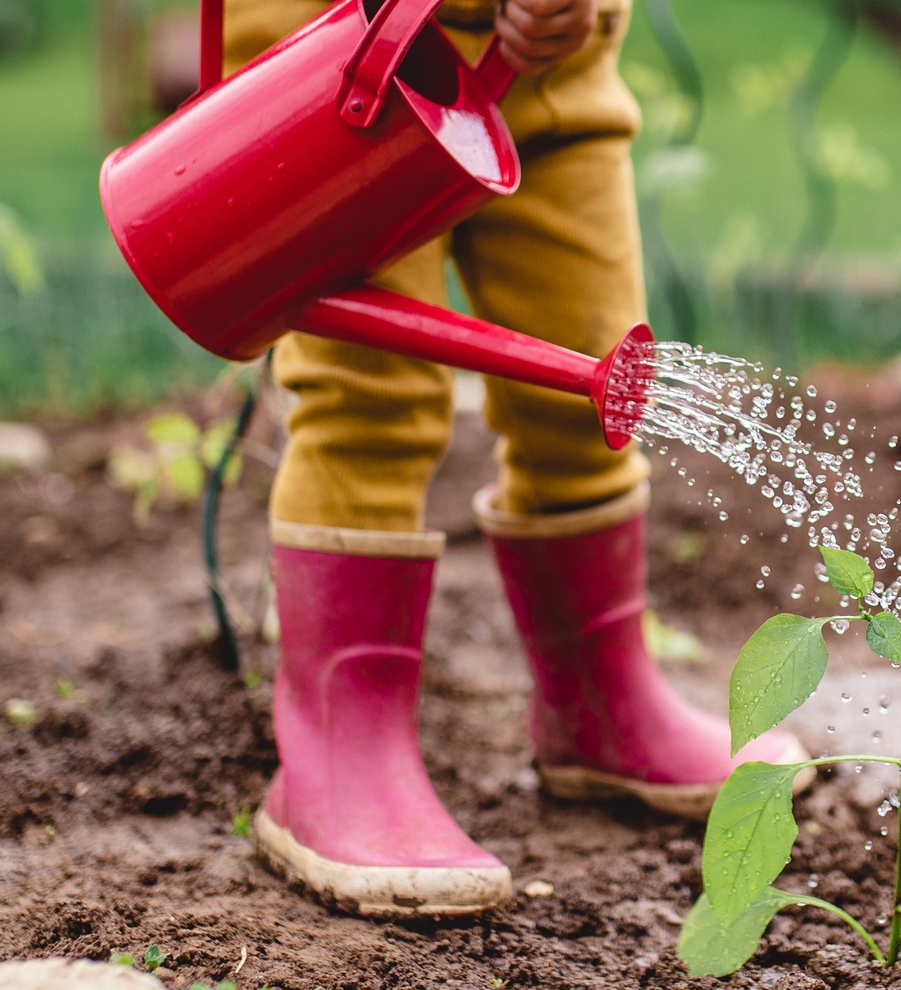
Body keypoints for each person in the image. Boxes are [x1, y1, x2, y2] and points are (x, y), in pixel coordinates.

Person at [221, 0, 810, 918]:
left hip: (555, 63)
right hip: (349, 55)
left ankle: (602, 704)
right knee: (375, 399)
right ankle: (338, 756)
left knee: (591, 382)